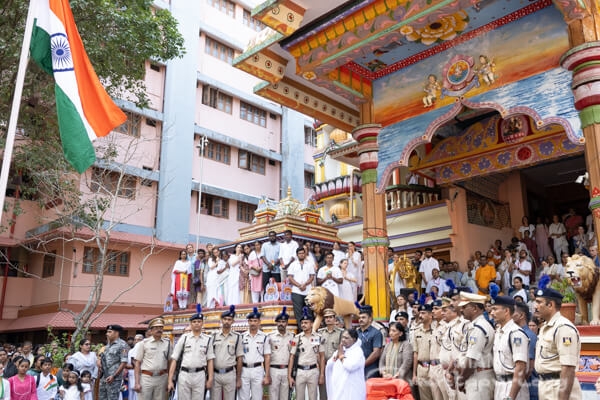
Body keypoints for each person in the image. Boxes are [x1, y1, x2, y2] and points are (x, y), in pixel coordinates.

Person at [533, 283, 582, 399]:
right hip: (546, 385)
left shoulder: (563, 328)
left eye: (539, 302)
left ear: (550, 305)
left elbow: (568, 368)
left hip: (558, 386)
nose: (535, 306)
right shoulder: (546, 327)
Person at [168, 306, 214, 400]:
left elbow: (210, 360)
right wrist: (170, 380)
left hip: (200, 375)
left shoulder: (208, 339)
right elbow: (174, 359)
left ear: (202, 323)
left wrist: (210, 379)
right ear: (191, 324)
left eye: (199, 321)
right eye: (194, 322)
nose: (196, 324)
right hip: (184, 375)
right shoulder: (184, 338)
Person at [489, 294, 529, 400]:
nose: (491, 313)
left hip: (512, 386)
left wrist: (511, 397)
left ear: (506, 311)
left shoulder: (516, 333)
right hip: (499, 384)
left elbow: (520, 367)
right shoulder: (499, 332)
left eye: (495, 309)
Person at [456, 291, 495, 398]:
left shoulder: (478, 328)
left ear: (474, 308)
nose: (461, 310)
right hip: (475, 376)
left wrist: (461, 379)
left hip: (478, 377)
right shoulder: (474, 325)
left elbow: (471, 360)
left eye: (464, 307)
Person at [288, 308, 324, 400]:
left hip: (313, 371)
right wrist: (289, 376)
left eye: (306, 322)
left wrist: (321, 375)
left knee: (313, 397)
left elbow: (322, 357)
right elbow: (292, 357)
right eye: (302, 323)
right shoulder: (296, 338)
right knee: (299, 397)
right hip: (300, 372)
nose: (303, 325)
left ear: (311, 323)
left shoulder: (318, 337)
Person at [133, 318, 171, 400]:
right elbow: (137, 363)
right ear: (150, 330)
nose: (159, 330)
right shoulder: (143, 343)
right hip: (147, 378)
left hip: (162, 378)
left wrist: (169, 380)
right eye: (156, 328)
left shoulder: (168, 343)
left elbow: (169, 362)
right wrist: (136, 383)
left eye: (161, 327)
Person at [211, 306, 243, 400]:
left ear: (233, 321)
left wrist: (238, 378)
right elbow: (209, 358)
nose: (226, 321)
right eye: (225, 319)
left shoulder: (237, 337)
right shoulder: (213, 336)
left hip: (230, 374)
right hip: (215, 374)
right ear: (221, 320)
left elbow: (240, 359)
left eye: (229, 319)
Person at [325, 328, 366, 400]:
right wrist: (336, 357)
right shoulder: (342, 349)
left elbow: (350, 366)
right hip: (339, 388)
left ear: (354, 340)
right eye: (342, 337)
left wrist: (341, 357)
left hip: (352, 390)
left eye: (346, 338)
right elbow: (329, 364)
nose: (343, 340)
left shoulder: (358, 352)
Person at [239, 308, 270, 400]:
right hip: (244, 370)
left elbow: (267, 357)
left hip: (258, 370)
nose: (253, 323)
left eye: (255, 321)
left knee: (257, 397)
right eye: (251, 321)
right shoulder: (241, 337)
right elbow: (239, 357)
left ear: (259, 322)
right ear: (248, 322)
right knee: (243, 397)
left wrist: (267, 375)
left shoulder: (264, 337)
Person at [266, 307, 294, 400]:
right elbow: (266, 356)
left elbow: (292, 355)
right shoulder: (270, 337)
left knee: (285, 397)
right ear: (276, 323)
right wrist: (267, 373)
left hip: (286, 370)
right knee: (273, 396)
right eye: (279, 322)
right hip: (274, 370)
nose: (281, 324)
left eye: (283, 321)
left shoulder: (292, 337)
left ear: (287, 323)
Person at [317, 309, 344, 400]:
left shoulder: (341, 332)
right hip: (323, 366)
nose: (328, 319)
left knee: (336, 391)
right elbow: (316, 350)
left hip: (335, 365)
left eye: (330, 317)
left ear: (334, 319)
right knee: (323, 392)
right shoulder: (320, 333)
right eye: (326, 317)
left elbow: (342, 349)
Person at [98, 324, 128, 400]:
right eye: (107, 332)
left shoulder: (122, 344)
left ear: (116, 333)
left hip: (114, 378)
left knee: (112, 398)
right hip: (104, 376)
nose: (107, 334)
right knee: (102, 397)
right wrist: (99, 362)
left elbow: (124, 362)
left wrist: (114, 376)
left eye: (109, 332)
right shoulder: (108, 344)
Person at [288, 247, 315, 329]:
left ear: (305, 254)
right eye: (300, 253)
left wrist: (305, 284)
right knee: (298, 313)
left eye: (303, 253)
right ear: (297, 255)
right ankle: (301, 332)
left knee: (309, 312)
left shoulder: (309, 264)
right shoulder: (293, 264)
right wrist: (299, 285)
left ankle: (310, 331)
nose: (301, 255)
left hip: (308, 292)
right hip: (296, 292)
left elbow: (312, 276)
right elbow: (290, 278)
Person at [356, 304, 383, 379]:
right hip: (356, 368)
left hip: (370, 369)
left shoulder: (376, 332)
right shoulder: (356, 333)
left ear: (370, 319)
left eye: (363, 317)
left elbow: (376, 353)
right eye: (360, 318)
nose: (361, 319)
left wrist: (363, 364)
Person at [126, 334, 143, 400]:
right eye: (135, 340)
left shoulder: (144, 350)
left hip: (141, 375)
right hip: (131, 374)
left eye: (139, 339)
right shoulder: (131, 351)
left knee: (139, 394)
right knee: (131, 394)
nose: (136, 341)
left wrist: (135, 366)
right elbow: (127, 364)